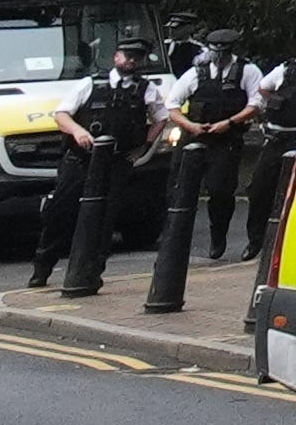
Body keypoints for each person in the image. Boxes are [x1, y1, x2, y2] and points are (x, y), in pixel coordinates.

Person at [148, 45, 253, 312]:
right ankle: (170, 237)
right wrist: (190, 126)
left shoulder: (247, 71)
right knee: (178, 191)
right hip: (194, 135)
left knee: (221, 190)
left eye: (225, 52)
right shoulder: (195, 73)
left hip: (226, 138)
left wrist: (229, 122)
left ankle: (219, 236)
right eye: (216, 51)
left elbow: (256, 103)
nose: (219, 56)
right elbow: (172, 105)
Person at [51, 43, 159, 298]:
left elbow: (161, 118)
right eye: (127, 56)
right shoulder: (91, 84)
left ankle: (92, 272)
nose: (132, 61)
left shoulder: (147, 89)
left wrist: (143, 146)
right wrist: (78, 131)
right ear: (116, 57)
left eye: (137, 58)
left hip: (116, 161)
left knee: (106, 217)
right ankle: (43, 266)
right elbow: (61, 114)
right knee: (60, 211)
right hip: (81, 159)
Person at [240, 29, 296, 287]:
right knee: (259, 189)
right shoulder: (286, 70)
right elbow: (264, 88)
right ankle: (255, 240)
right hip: (277, 139)